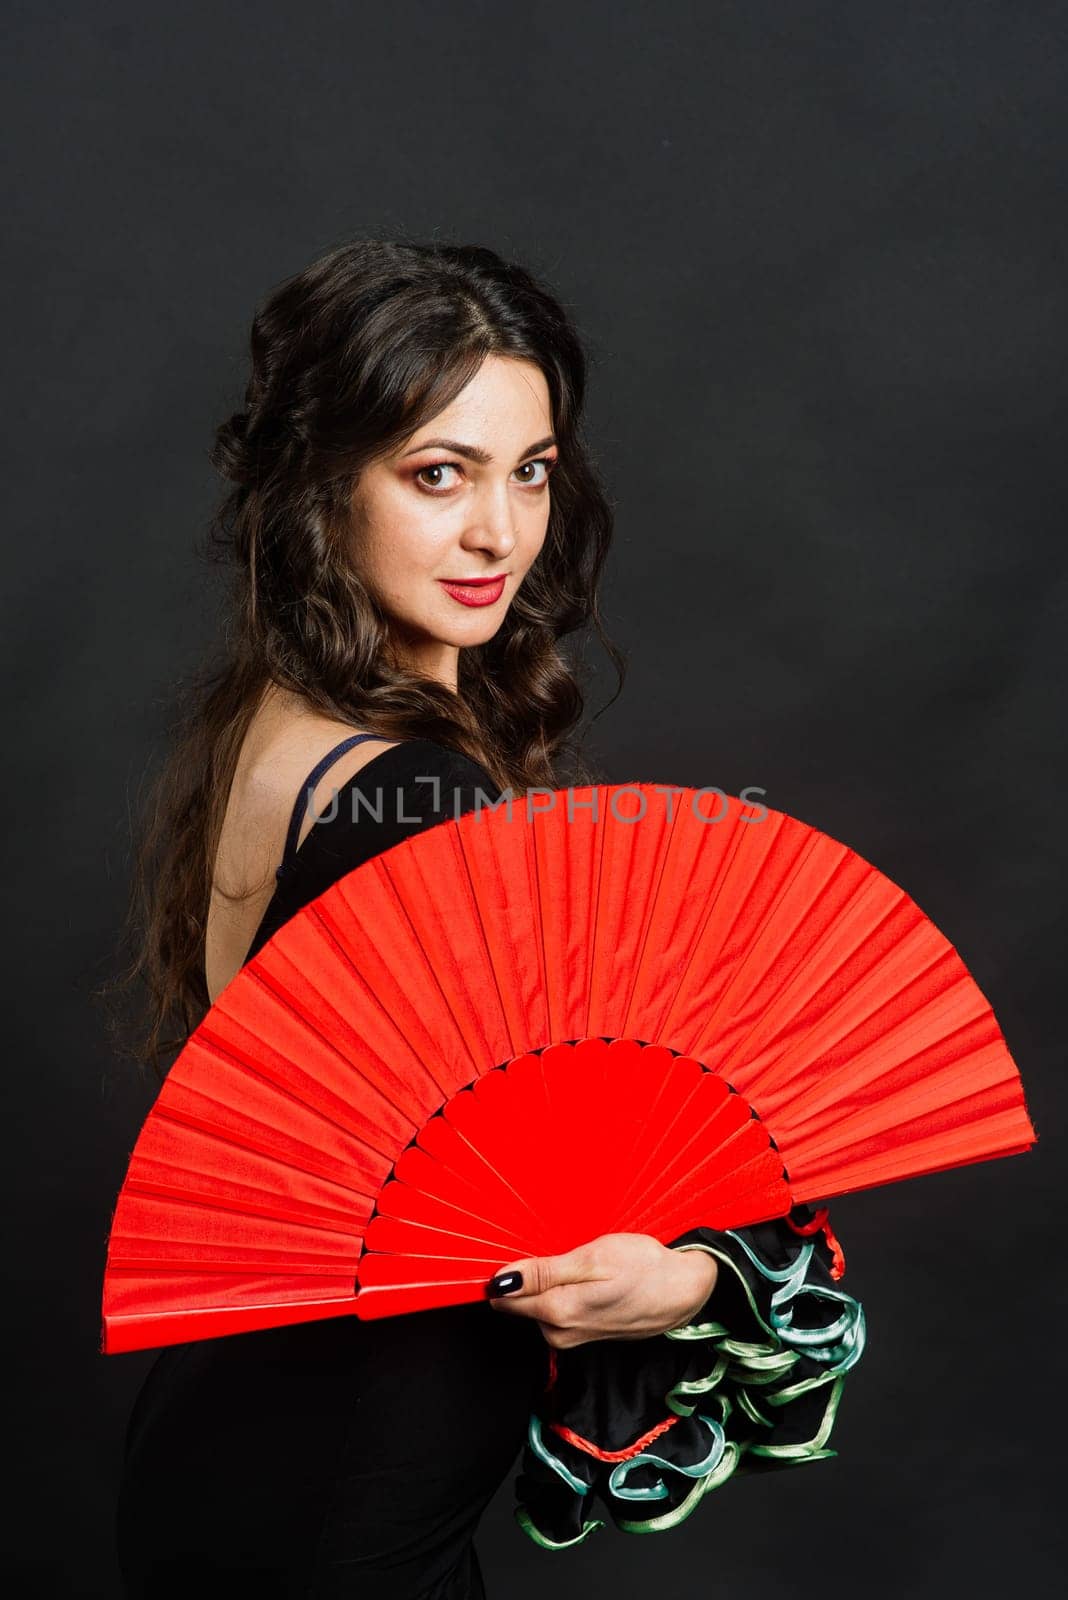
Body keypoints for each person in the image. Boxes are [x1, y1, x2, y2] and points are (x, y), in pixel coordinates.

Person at [104, 238, 865, 1598]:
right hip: (340, 1504)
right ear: (320, 488)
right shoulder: (420, 790)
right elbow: (543, 1208)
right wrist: (694, 1285)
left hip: (235, 1436)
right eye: (437, 474)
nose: (499, 533)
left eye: (531, 471)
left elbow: (442, 1138)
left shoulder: (278, 725)